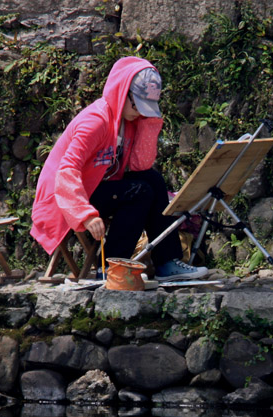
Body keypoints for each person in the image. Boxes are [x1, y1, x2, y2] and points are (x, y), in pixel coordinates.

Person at [31, 56, 208, 282]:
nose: (141, 112)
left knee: (152, 179)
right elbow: (66, 170)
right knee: (139, 192)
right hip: (66, 197)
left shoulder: (130, 121)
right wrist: (85, 214)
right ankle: (110, 269)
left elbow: (139, 165)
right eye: (138, 105)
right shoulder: (95, 122)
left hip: (98, 187)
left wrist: (148, 123)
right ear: (122, 92)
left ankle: (167, 263)